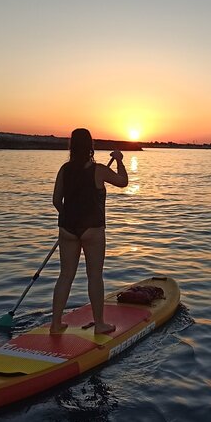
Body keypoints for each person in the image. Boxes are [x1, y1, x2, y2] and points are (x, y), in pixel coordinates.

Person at [50, 128, 128, 335]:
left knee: (65, 275)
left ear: (71, 146)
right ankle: (100, 324)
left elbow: (57, 201)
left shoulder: (64, 170)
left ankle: (56, 324)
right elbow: (123, 182)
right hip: (92, 229)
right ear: (90, 147)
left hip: (67, 228)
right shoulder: (98, 170)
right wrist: (119, 159)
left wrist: (70, 216)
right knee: (94, 276)